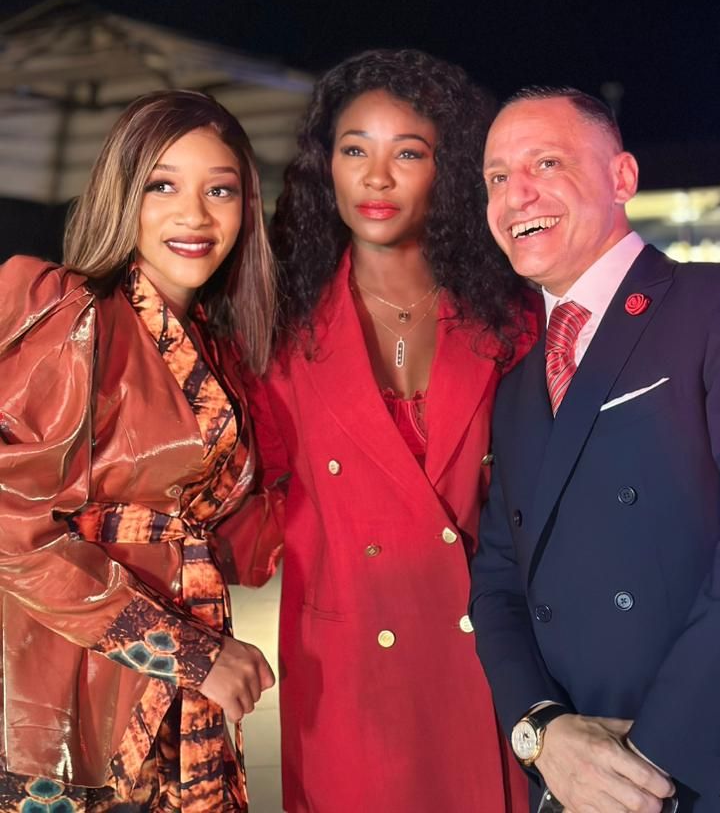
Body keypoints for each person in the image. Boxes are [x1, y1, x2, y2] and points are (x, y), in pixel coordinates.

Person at [469, 86, 720, 812]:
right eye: (497, 176)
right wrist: (541, 731)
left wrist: (645, 764)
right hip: (576, 777)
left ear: (621, 177)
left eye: (546, 163)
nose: (515, 194)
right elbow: (497, 582)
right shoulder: (520, 387)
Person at [246, 48, 537, 812]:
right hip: (348, 671)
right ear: (326, 167)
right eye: (355, 151)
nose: (376, 179)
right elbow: (242, 515)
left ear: (449, 171)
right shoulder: (276, 335)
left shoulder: (512, 322)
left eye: (408, 153)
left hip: (493, 664)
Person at [0, 90, 283, 812]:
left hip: (174, 701)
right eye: (163, 185)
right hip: (65, 699)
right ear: (121, 194)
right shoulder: (74, 317)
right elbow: (10, 528)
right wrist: (187, 651)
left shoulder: (218, 348)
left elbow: (243, 538)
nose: (195, 215)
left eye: (220, 190)